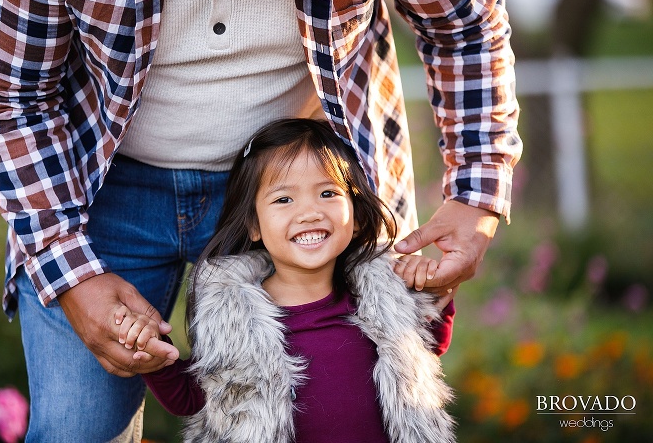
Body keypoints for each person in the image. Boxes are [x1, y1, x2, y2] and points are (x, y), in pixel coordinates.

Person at [0, 0, 521, 439]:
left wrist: (476, 195)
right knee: (74, 430)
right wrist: (69, 271)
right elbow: (10, 96)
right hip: (99, 191)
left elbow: (467, 27)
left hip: (298, 192)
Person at [118, 119, 455, 443]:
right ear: (254, 225)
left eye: (327, 193)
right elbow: (194, 398)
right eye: (284, 199)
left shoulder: (383, 298)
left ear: (355, 215)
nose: (309, 212)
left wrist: (433, 292)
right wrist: (156, 358)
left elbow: (428, 349)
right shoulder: (234, 318)